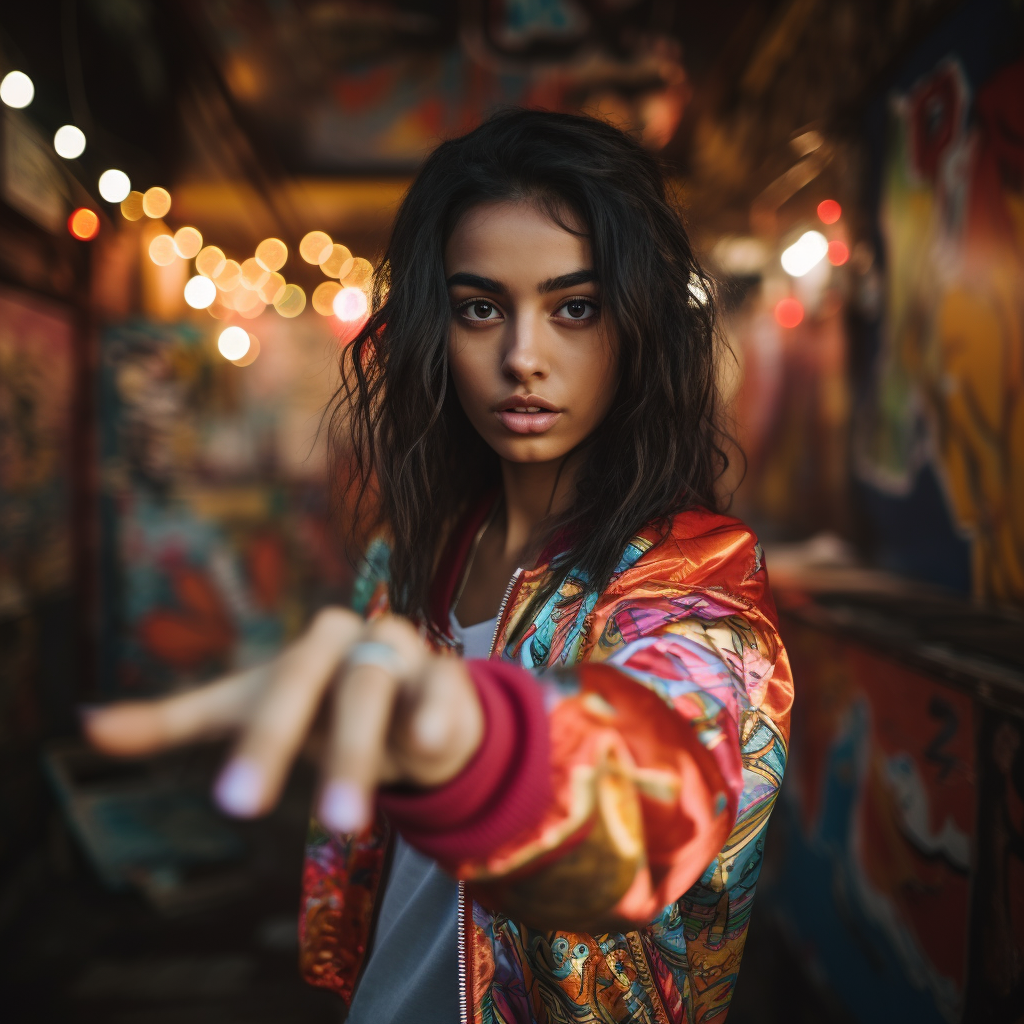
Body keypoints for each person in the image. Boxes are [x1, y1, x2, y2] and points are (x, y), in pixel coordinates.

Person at [85, 109, 794, 1024]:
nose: (522, 358)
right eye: (481, 308)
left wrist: (477, 753)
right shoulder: (405, 557)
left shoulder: (693, 582)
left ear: (638, 328)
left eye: (574, 307)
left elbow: (653, 792)